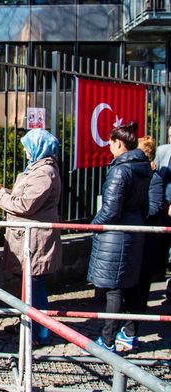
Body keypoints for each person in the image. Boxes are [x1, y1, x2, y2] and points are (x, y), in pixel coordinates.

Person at [0, 128, 62, 346]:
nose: (26, 152)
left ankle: (40, 332)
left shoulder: (44, 173)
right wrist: (3, 190)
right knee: (28, 286)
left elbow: (25, 205)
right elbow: (24, 197)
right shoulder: (37, 169)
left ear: (39, 148)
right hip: (28, 238)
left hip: (35, 240)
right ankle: (27, 324)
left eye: (28, 148)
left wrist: (0, 197)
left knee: (35, 286)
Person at [87, 122, 151, 353]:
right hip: (135, 230)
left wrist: (94, 225)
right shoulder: (143, 166)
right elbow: (146, 205)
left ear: (120, 144)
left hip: (116, 235)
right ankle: (131, 334)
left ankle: (107, 339)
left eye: (111, 142)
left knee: (114, 289)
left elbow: (111, 209)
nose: (109, 147)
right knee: (131, 285)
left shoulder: (120, 170)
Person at [137, 136, 171, 313]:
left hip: (157, 221)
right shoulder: (164, 153)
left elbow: (154, 203)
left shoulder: (155, 176)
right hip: (157, 217)